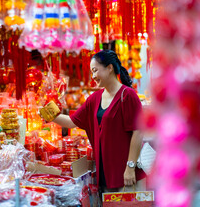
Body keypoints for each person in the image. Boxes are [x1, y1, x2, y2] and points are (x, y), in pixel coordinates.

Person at [46, 49, 146, 192]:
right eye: (91, 72)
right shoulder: (94, 99)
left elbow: (138, 132)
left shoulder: (127, 95)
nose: (93, 76)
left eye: (95, 71)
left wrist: (130, 168)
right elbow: (71, 122)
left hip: (127, 175)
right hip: (105, 173)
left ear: (110, 68)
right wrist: (49, 114)